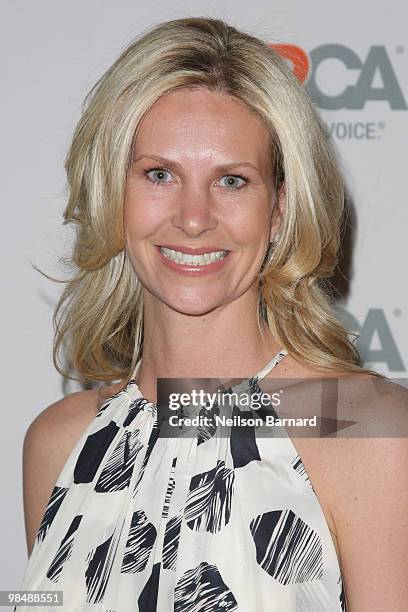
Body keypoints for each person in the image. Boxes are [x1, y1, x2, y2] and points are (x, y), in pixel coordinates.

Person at [15, 16, 407, 612]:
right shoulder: (59, 441)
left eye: (231, 180)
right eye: (160, 174)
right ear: (112, 194)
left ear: (278, 210)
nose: (193, 217)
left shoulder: (364, 427)